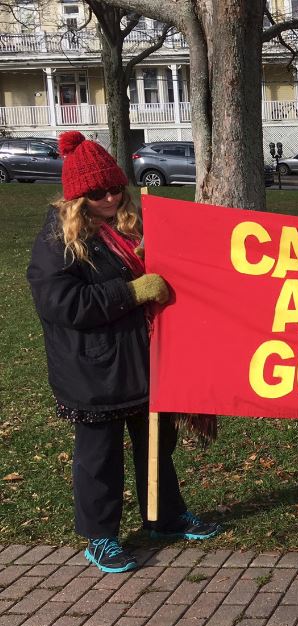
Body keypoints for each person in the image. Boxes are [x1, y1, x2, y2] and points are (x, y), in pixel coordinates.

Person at [26, 131, 220, 574]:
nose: (111, 197)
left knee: (156, 445)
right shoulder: (58, 240)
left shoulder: (131, 223)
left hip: (143, 359)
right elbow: (62, 304)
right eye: (98, 193)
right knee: (99, 458)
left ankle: (164, 516)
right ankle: (100, 538)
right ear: (78, 197)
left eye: (116, 187)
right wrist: (129, 292)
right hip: (93, 370)